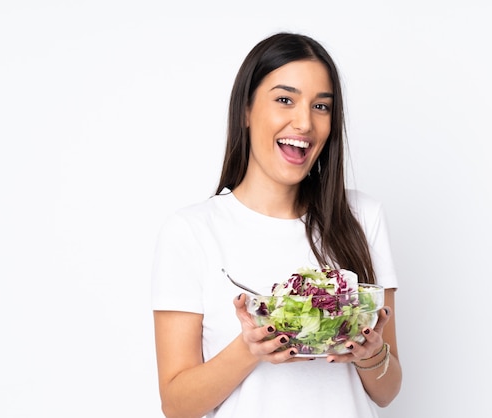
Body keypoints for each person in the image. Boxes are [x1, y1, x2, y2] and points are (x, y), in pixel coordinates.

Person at [151, 32, 402, 418]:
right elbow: (176, 404)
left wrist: (372, 354)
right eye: (285, 100)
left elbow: (387, 391)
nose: (304, 122)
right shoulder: (191, 231)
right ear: (245, 111)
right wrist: (249, 348)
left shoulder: (362, 216)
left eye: (321, 106)